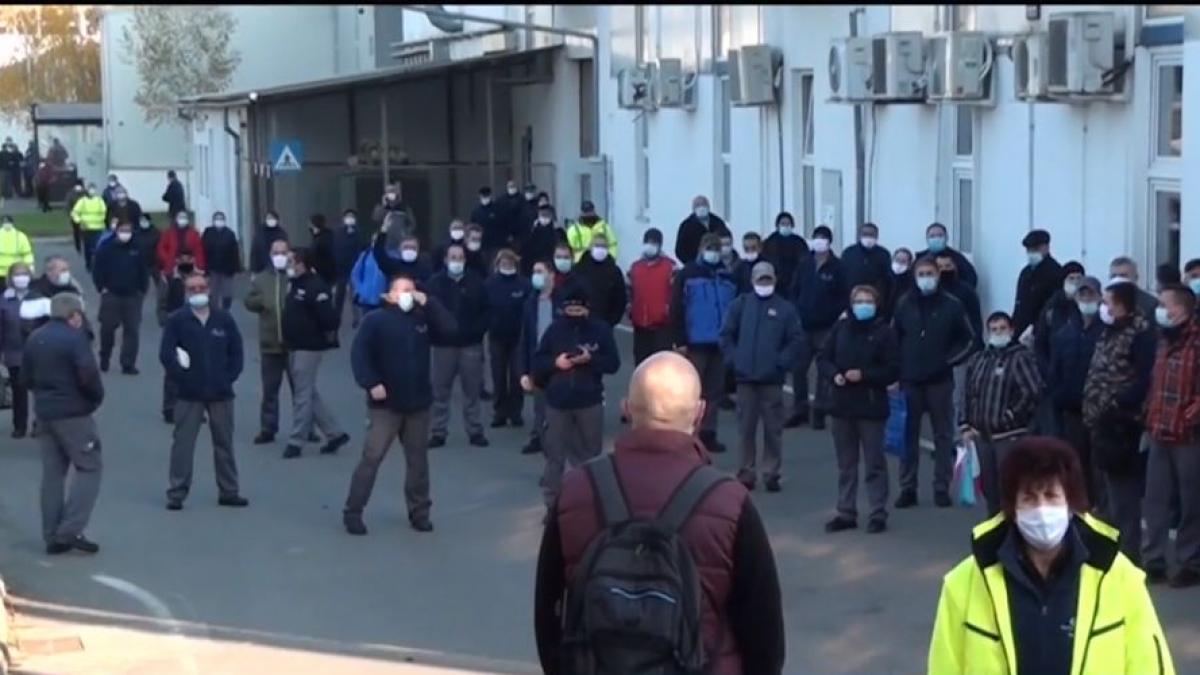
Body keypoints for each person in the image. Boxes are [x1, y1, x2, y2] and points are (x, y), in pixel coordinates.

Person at [534, 351, 785, 675]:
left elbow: (548, 612)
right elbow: (764, 633)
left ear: (627, 408)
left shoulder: (577, 488)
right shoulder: (729, 501)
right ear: (700, 413)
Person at [928, 436, 1176, 675]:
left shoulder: (1120, 578)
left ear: (1071, 504)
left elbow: (1150, 664)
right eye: (1029, 498)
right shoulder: (963, 584)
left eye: (1051, 496)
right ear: (1012, 508)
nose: (1041, 510)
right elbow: (945, 667)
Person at [344, 274, 455, 535]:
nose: (409, 294)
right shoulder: (376, 321)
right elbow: (359, 354)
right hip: (386, 406)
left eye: (412, 290)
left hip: (418, 403)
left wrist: (429, 302)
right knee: (371, 458)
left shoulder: (422, 319)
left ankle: (420, 512)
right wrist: (371, 383)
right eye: (403, 290)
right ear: (390, 295)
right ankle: (353, 511)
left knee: (418, 462)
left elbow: (450, 329)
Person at [21, 293, 104, 555]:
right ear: (75, 315)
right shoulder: (74, 338)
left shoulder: (36, 338)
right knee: (89, 467)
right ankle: (70, 529)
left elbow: (25, 378)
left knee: (53, 474)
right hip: (73, 413)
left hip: (45, 413)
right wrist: (94, 399)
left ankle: (51, 534)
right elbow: (88, 374)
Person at [893, 257, 977, 509]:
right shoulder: (904, 304)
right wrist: (897, 370)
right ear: (915, 275)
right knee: (908, 437)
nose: (926, 277)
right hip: (910, 381)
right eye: (922, 273)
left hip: (940, 381)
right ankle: (908, 488)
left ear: (938, 275)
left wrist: (948, 361)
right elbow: (893, 338)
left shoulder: (952, 305)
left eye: (930, 273)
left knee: (943, 437)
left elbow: (970, 340)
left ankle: (942, 487)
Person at [159, 273, 248, 511]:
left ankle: (229, 491)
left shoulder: (223, 319)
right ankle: (176, 493)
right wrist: (182, 377)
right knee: (183, 444)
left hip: (221, 392)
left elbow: (237, 352)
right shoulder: (177, 320)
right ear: (186, 293)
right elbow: (166, 354)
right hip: (188, 393)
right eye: (192, 288)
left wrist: (228, 377)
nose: (197, 291)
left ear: (209, 289)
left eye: (201, 287)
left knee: (224, 443)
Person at [1081, 281, 1155, 565]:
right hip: (1099, 421)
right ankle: (1108, 548)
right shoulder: (1110, 331)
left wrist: (1119, 404)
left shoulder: (1140, 334)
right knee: (1106, 491)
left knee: (1124, 495)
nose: (1104, 307)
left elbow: (1145, 378)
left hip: (1122, 424)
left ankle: (1128, 555)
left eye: (1108, 302)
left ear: (1122, 304)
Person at [530, 280, 620, 510]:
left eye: (579, 310)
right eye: (570, 310)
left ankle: (589, 506)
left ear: (587, 308)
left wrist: (591, 360)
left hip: (589, 402)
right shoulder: (555, 329)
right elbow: (538, 362)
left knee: (591, 458)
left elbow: (613, 363)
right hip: (558, 402)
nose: (574, 314)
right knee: (555, 458)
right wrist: (556, 363)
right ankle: (552, 506)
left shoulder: (600, 330)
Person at [721, 261, 804, 493]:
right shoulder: (740, 305)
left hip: (772, 380)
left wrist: (781, 364)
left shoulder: (786, 309)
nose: (764, 284)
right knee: (745, 428)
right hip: (745, 378)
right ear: (752, 281)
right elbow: (726, 334)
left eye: (768, 279)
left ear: (774, 281)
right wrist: (735, 361)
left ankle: (771, 472)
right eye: (760, 280)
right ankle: (746, 471)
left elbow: (796, 340)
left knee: (773, 428)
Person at [1142, 285, 1200, 588]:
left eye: (1165, 304)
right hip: (1159, 431)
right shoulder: (1163, 341)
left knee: (1191, 502)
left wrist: (1191, 414)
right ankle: (1154, 560)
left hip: (1189, 436)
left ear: (1180, 309)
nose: (1160, 310)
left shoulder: (1196, 342)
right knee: (1155, 499)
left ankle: (1190, 561)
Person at [960, 311, 1043, 516]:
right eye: (994, 329)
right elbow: (967, 392)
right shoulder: (978, 359)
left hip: (1009, 437)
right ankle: (995, 533)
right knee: (989, 489)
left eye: (1002, 328)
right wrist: (965, 424)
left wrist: (1010, 416)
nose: (998, 333)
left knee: (1009, 487)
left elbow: (1033, 392)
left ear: (1012, 330)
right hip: (982, 436)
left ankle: (1013, 535)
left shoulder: (1020, 357)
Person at [670, 233, 737, 455]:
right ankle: (689, 435)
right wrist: (679, 339)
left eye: (717, 247)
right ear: (700, 248)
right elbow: (676, 308)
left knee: (714, 392)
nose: (714, 251)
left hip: (719, 343)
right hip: (695, 341)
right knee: (692, 391)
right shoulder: (687, 274)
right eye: (709, 247)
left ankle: (709, 433)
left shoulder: (727, 276)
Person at [280, 247, 350, 459]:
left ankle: (296, 440)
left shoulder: (315, 286)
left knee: (302, 394)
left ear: (304, 263)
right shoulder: (295, 284)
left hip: (308, 346)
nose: (289, 264)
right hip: (294, 345)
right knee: (309, 392)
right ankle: (334, 433)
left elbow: (328, 319)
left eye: (293, 261)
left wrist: (314, 331)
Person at [426, 242, 490, 448]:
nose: (456, 262)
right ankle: (438, 431)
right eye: (452, 258)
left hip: (470, 344)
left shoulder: (476, 282)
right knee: (440, 391)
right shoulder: (435, 283)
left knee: (471, 390)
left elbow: (486, 312)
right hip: (443, 345)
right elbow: (429, 313)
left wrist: (476, 332)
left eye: (460, 258)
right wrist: (437, 333)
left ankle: (475, 430)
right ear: (445, 260)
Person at [1048, 276, 1105, 506]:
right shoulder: (1065, 333)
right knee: (1075, 464)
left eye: (1091, 294)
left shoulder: (1106, 331)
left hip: (1100, 412)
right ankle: (1081, 508)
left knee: (1099, 466)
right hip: (1072, 411)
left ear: (1100, 297)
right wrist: (1059, 398)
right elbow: (1055, 372)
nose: (1086, 299)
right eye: (1082, 294)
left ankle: (1101, 510)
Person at [788, 225, 847, 430]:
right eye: (816, 237)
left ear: (830, 242)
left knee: (824, 370)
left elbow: (844, 296)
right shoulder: (804, 263)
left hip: (826, 328)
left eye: (823, 238)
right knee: (798, 368)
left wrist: (835, 317)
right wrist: (796, 312)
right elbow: (794, 290)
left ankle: (820, 410)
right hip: (803, 325)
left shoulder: (838, 267)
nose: (819, 241)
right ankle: (800, 409)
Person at [243, 238, 293, 444]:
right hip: (270, 343)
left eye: (283, 252)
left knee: (301, 390)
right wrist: (261, 303)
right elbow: (249, 300)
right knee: (270, 390)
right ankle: (268, 428)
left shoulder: (295, 277)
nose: (280, 256)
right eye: (276, 252)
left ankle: (306, 428)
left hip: (294, 344)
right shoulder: (262, 279)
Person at [483, 249, 532, 428]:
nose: (506, 263)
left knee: (517, 376)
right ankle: (499, 412)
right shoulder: (489, 284)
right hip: (496, 336)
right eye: (502, 260)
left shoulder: (524, 284)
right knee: (498, 376)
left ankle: (516, 412)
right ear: (497, 263)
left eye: (509, 260)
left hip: (518, 336)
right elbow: (483, 308)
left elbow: (528, 310)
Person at [92, 221, 149, 375]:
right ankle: (105, 357)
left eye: (128, 230)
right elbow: (97, 269)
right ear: (116, 231)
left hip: (132, 296)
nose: (125, 233)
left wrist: (143, 289)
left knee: (132, 330)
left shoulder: (137, 248)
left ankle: (128, 363)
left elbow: (144, 270)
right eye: (122, 230)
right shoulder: (106, 248)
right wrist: (101, 287)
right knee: (107, 328)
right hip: (111, 294)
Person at [518, 260, 560, 455]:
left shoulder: (561, 301)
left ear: (551, 274)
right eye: (534, 271)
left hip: (558, 360)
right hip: (538, 360)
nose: (536, 275)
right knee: (539, 404)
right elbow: (525, 338)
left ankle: (556, 440)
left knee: (557, 405)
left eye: (540, 271)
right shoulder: (530, 303)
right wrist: (524, 371)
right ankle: (538, 437)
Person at [627, 227, 676, 365]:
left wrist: (669, 313)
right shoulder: (635, 267)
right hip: (640, 327)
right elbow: (628, 292)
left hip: (662, 327)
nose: (650, 245)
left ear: (660, 245)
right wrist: (631, 311)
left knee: (660, 366)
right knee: (641, 365)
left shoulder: (670, 267)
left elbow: (676, 295)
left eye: (654, 242)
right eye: (648, 242)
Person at [1034, 261, 1086, 373]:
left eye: (1079, 278)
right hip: (1055, 368)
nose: (1075, 282)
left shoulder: (1087, 306)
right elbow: (1040, 341)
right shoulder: (1051, 306)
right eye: (1071, 278)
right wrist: (1046, 370)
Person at [1012, 229, 1064, 339]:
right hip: (1021, 330)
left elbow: (1053, 306)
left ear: (1046, 247)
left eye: (1035, 249)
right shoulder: (1026, 272)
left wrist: (1036, 328)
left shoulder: (1055, 272)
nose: (1031, 253)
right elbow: (1019, 303)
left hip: (1041, 332)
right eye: (1028, 250)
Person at [0, 262, 33, 437]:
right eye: (17, 274)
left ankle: (40, 424)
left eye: (24, 273)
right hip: (15, 353)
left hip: (39, 353)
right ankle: (19, 425)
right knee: (19, 391)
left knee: (41, 391)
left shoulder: (38, 297)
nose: (21, 277)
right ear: (11, 278)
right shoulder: (4, 300)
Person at [571, 232, 627, 328]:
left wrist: (611, 321)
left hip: (605, 325)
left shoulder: (614, 271)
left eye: (603, 246)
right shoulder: (579, 268)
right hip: (581, 323)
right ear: (590, 247)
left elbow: (621, 299)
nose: (600, 249)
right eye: (597, 245)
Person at [761, 211, 808, 301]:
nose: (785, 226)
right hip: (776, 284)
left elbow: (804, 261)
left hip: (794, 284)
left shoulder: (799, 242)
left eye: (788, 224)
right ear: (777, 225)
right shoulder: (770, 242)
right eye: (783, 224)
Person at [914, 222, 978, 289]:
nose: (936, 239)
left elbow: (971, 279)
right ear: (927, 238)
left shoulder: (957, 258)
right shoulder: (920, 258)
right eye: (932, 236)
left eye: (940, 235)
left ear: (946, 237)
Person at [200, 211, 241, 311]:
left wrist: (236, 267)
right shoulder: (208, 233)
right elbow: (203, 250)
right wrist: (203, 268)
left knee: (227, 293)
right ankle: (213, 311)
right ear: (213, 221)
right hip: (212, 267)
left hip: (227, 268)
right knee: (213, 293)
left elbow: (234, 251)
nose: (219, 221)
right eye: (217, 219)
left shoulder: (230, 234)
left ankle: (225, 310)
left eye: (221, 219)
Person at [841, 222, 892, 301]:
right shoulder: (849, 253)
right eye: (865, 234)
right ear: (859, 235)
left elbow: (887, 279)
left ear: (877, 236)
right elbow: (842, 276)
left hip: (876, 300)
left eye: (871, 235)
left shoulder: (883, 254)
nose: (868, 237)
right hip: (851, 299)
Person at [674, 195, 730, 265]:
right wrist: (690, 264)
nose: (701, 207)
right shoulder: (686, 226)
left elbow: (726, 238)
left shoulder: (717, 222)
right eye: (698, 205)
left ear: (709, 206)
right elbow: (679, 250)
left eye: (704, 204)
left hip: (718, 262)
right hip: (694, 265)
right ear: (693, 208)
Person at [333, 209, 365, 327]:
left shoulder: (358, 233)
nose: (350, 219)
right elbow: (336, 248)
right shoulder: (338, 232)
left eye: (352, 216)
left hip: (354, 266)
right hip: (342, 267)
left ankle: (356, 318)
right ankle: (336, 317)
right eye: (348, 216)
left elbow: (360, 248)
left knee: (354, 294)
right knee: (339, 295)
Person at [156, 211, 206, 279]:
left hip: (190, 264)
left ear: (187, 220)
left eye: (184, 217)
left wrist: (199, 265)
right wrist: (168, 259)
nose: (182, 219)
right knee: (175, 286)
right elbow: (161, 248)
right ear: (176, 219)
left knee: (189, 284)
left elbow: (199, 250)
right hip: (173, 265)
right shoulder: (168, 233)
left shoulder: (194, 233)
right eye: (180, 217)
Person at [71, 183, 107, 273]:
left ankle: (98, 265)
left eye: (93, 189)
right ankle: (88, 264)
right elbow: (74, 213)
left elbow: (104, 212)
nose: (92, 191)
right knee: (87, 248)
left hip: (98, 227)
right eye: (90, 189)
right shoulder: (82, 201)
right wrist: (79, 221)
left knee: (98, 248)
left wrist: (102, 219)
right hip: (86, 228)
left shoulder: (99, 200)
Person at [522, 202, 565, 276]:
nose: (545, 218)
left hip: (552, 267)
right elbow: (526, 250)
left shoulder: (558, 232)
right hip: (534, 267)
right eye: (542, 215)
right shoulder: (532, 231)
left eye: (547, 215)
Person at [472, 185, 507, 260]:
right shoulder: (476, 211)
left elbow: (504, 225)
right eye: (483, 196)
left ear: (490, 195)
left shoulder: (497, 209)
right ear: (479, 196)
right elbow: (473, 227)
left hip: (496, 244)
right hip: (482, 244)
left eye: (486, 195)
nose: (485, 198)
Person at [0, 215, 34, 287]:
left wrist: (30, 266)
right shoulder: (20, 236)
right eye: (5, 222)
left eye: (8, 222)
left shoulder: (20, 236)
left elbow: (27, 253)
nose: (7, 224)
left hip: (15, 272)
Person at [308, 213, 338, 287]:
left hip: (323, 274)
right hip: (325, 273)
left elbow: (316, 253)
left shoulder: (322, 239)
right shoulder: (324, 236)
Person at [884, 246, 913, 319]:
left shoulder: (911, 282)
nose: (899, 263)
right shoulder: (884, 278)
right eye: (897, 260)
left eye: (903, 261)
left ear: (909, 265)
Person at [65, 180, 85, 255]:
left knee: (85, 233)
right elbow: (68, 206)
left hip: (85, 217)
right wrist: (71, 215)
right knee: (76, 233)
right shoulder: (71, 194)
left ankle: (85, 247)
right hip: (75, 217)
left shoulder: (85, 194)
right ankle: (78, 248)